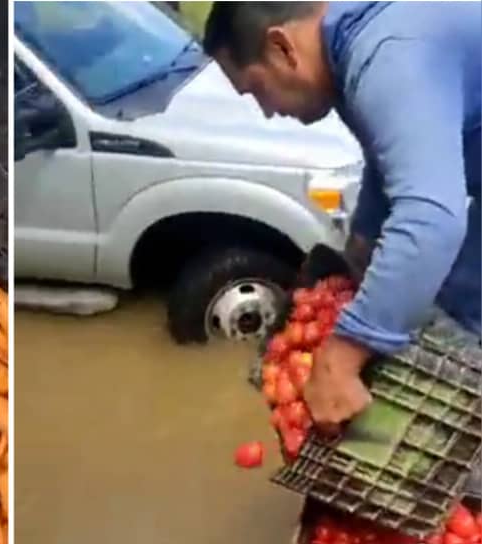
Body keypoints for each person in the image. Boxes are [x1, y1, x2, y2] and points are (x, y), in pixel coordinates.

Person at [201, 2, 480, 433]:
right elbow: (389, 160)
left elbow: (430, 219)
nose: (267, 111)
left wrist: (341, 355)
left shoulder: (387, 57)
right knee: (455, 302)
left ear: (282, 48)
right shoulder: (353, 50)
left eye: (257, 90)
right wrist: (365, 237)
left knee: (462, 308)